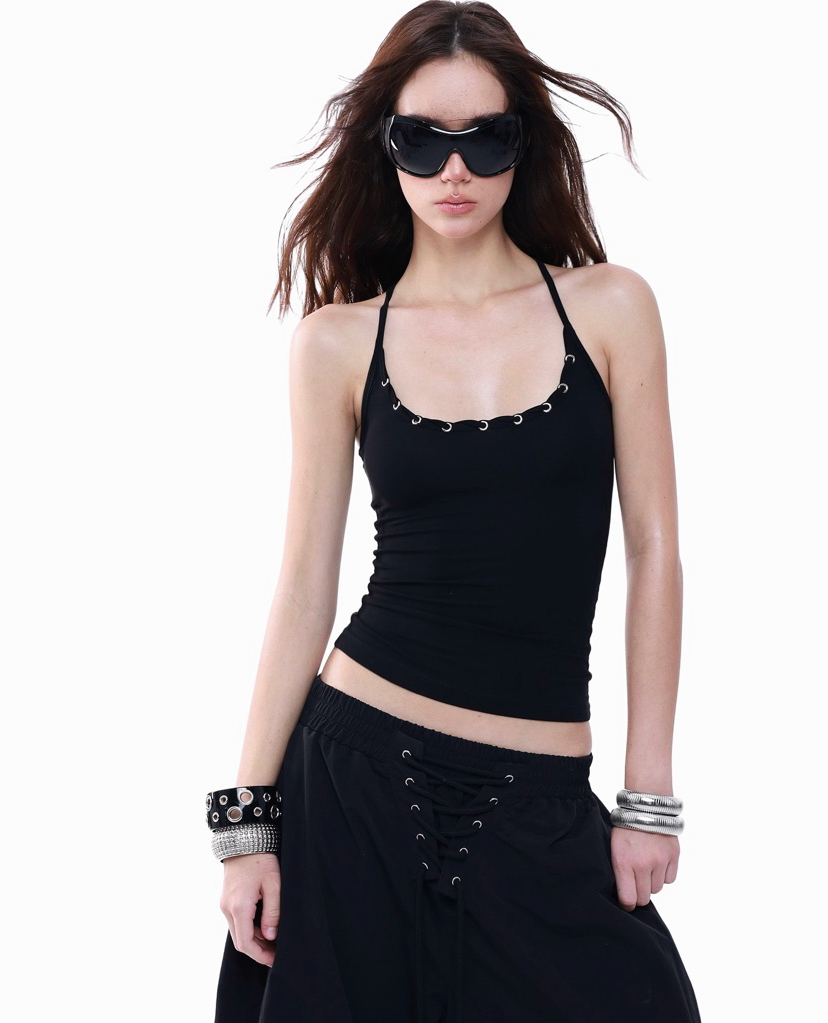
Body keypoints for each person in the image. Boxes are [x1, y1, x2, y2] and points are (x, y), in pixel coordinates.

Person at [208, 3, 701, 1021]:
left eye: (486, 137)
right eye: (422, 140)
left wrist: (647, 797)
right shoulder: (337, 343)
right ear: (384, 146)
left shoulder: (611, 307)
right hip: (354, 775)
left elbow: (655, 550)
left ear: (527, 142)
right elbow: (304, 583)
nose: (455, 169)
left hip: (542, 794)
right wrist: (248, 822)